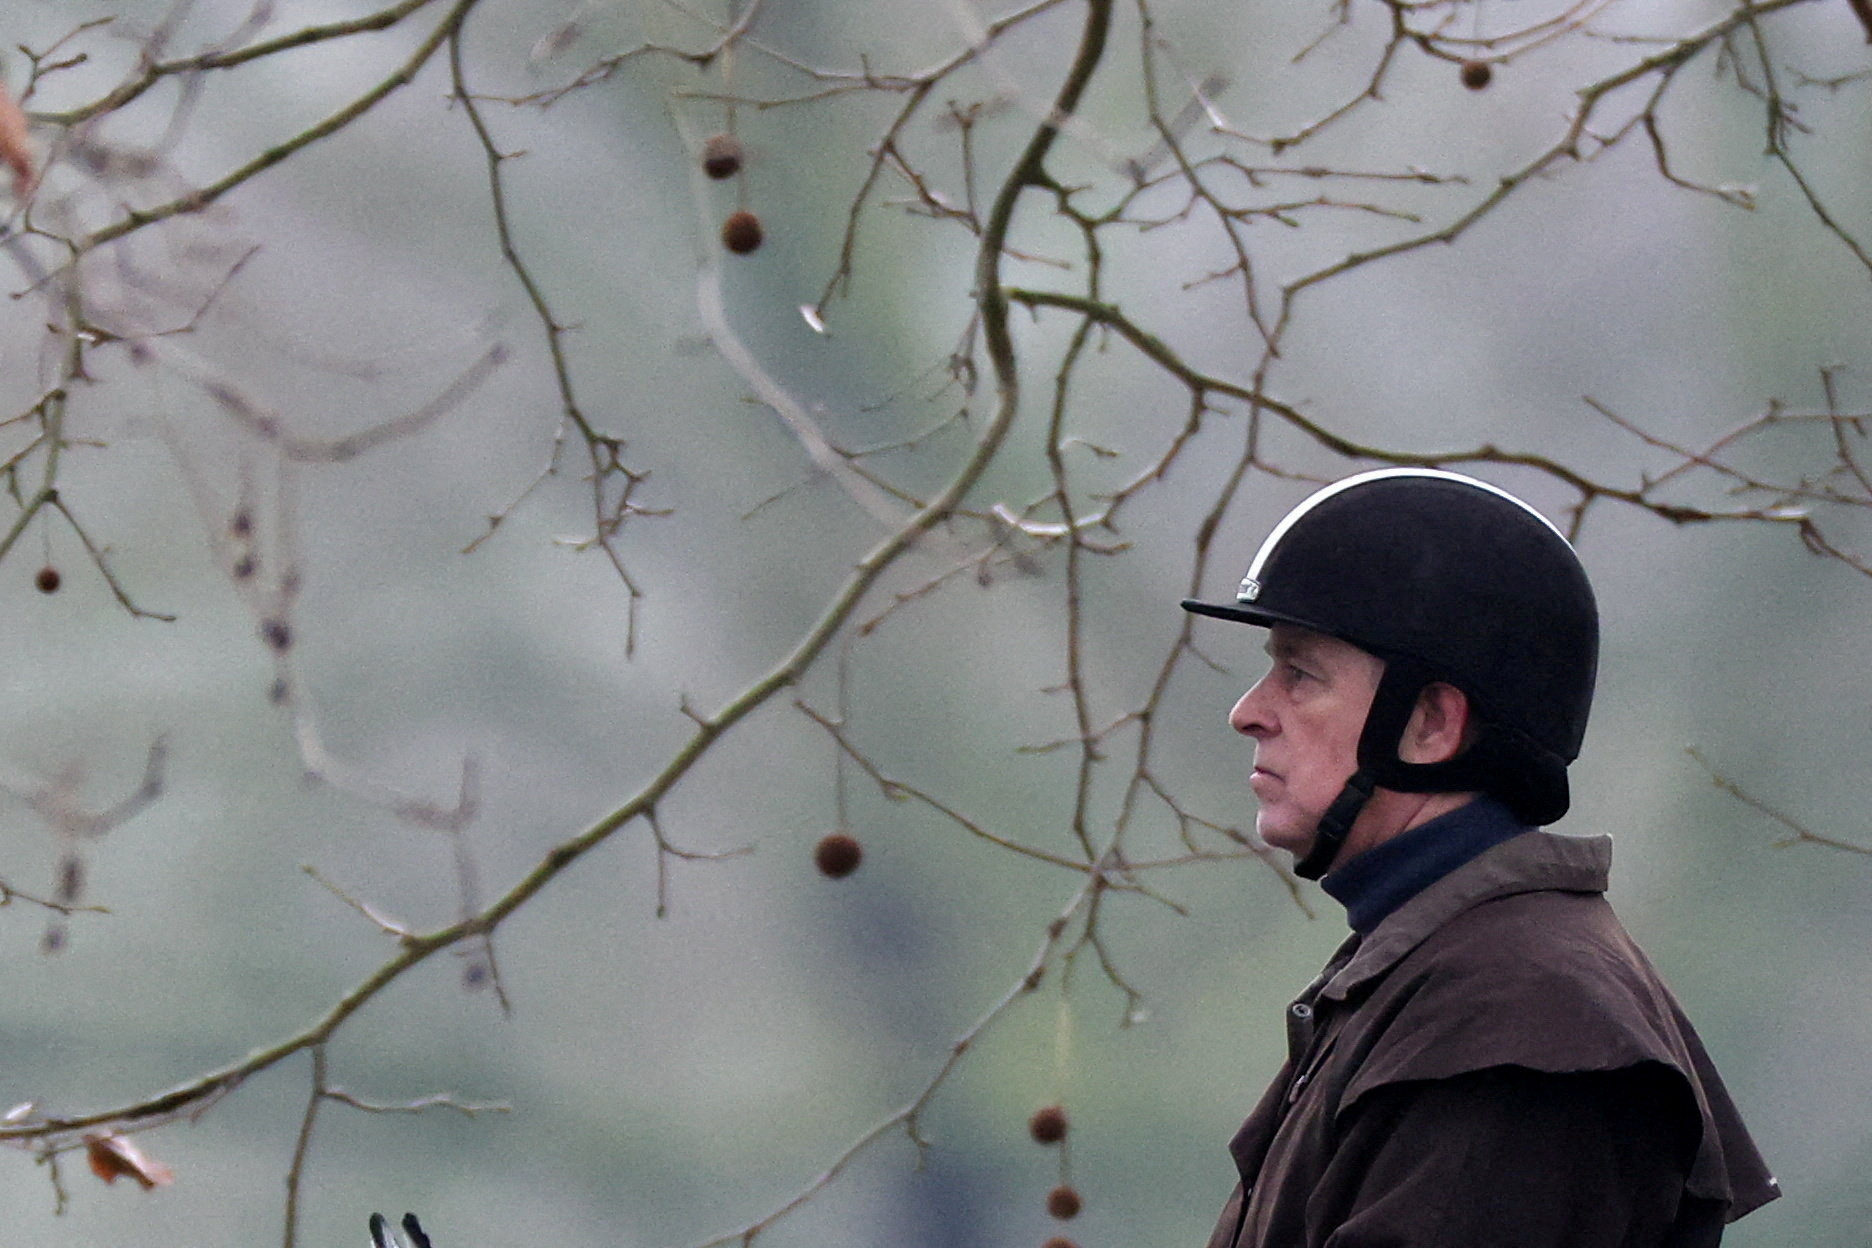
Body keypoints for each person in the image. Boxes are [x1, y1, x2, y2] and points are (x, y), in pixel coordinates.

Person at [1181, 468, 1780, 1248]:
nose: (1248, 712)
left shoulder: (1518, 1019)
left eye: (1300, 673)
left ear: (1432, 723)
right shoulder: (1445, 975)